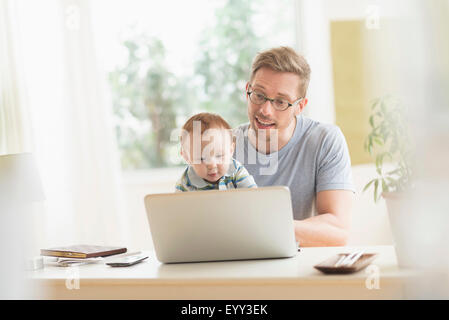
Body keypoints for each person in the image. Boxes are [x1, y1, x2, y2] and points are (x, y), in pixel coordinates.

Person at [234, 47, 355, 247]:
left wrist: (263, 226)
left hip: (298, 267)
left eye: (281, 102)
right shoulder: (223, 145)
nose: (265, 110)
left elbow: (337, 230)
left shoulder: (324, 140)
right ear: (248, 91)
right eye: (259, 95)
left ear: (300, 106)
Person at [176, 112, 257, 192]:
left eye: (219, 156)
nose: (212, 165)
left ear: (230, 151)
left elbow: (253, 197)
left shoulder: (236, 170)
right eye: (201, 158)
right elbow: (177, 205)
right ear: (187, 157)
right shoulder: (185, 183)